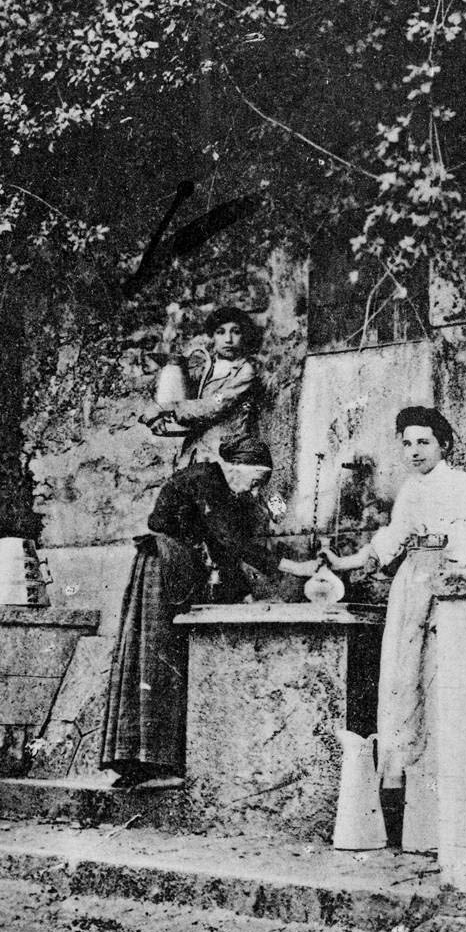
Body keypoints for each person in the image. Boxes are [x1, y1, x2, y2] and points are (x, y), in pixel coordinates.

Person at [99, 433, 318, 788]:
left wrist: (244, 593)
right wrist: (296, 568)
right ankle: (139, 762)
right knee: (153, 659)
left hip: (181, 569)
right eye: (256, 481)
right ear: (236, 467)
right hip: (162, 568)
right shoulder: (204, 480)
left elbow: (225, 549)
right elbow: (229, 541)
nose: (254, 491)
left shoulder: (223, 491)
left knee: (169, 659)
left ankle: (156, 762)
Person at [323, 407, 466, 850]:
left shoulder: (463, 486)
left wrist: (441, 549)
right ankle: (405, 815)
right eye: (407, 443)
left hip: (446, 589)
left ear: (444, 446)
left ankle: (443, 819)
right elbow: (391, 540)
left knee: (437, 686)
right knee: (402, 684)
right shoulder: (411, 490)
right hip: (410, 587)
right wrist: (345, 561)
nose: (414, 451)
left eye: (424, 442)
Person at [140, 305, 261, 467]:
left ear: (244, 336)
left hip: (226, 454)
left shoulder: (245, 371)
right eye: (221, 332)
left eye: (236, 332)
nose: (228, 339)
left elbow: (215, 404)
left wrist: (165, 407)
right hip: (196, 450)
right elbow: (180, 396)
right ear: (213, 337)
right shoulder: (207, 367)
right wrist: (159, 416)